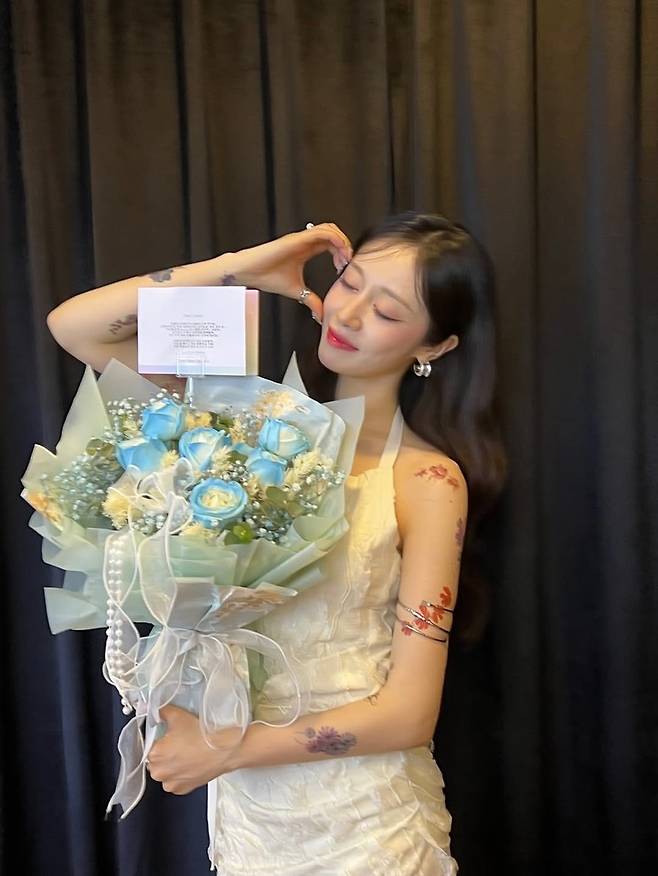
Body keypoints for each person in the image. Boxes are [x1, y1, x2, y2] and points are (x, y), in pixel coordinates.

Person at [47, 211, 507, 874]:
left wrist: (226, 749)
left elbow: (410, 714)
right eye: (350, 282)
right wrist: (242, 269)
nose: (349, 315)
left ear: (434, 346)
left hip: (366, 826)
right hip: (248, 818)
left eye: (387, 311)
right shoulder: (240, 430)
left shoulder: (427, 481)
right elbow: (76, 326)